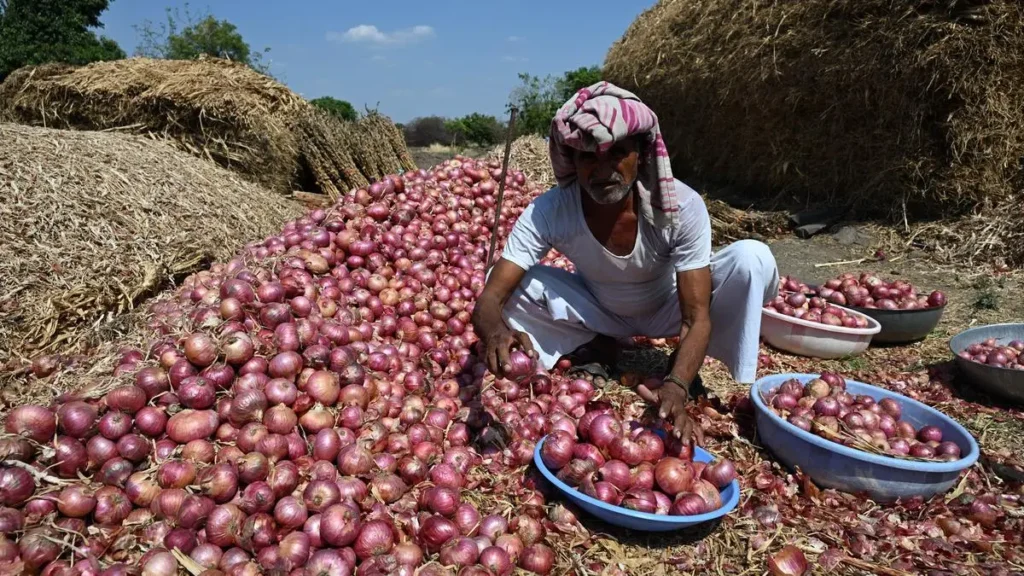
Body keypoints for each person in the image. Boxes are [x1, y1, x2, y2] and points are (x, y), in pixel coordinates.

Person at [471, 82, 779, 443]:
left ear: (641, 155)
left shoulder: (680, 205)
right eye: (589, 157)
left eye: (616, 153)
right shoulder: (551, 210)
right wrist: (495, 331)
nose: (603, 170)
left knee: (751, 258)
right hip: (600, 309)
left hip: (668, 308)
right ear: (573, 160)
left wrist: (676, 385)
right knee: (506, 279)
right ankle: (598, 343)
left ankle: (693, 370)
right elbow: (490, 298)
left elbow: (695, 316)